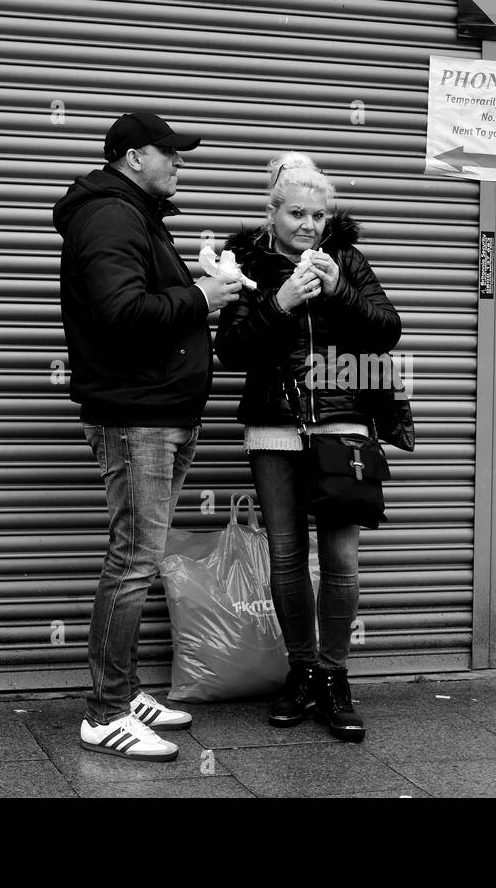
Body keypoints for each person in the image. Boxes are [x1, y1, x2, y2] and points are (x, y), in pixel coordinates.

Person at [53, 111, 242, 760]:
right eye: (171, 153)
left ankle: (125, 690)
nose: (180, 163)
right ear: (134, 156)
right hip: (137, 416)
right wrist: (203, 295)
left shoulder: (133, 215)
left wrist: (194, 280)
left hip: (160, 411)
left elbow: (140, 298)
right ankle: (105, 713)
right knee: (132, 560)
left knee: (140, 555)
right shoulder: (109, 215)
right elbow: (123, 314)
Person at [215, 152, 401, 742]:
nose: (309, 225)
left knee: (341, 560)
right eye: (297, 212)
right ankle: (302, 670)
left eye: (319, 214)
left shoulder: (346, 260)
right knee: (289, 556)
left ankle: (335, 675)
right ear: (271, 212)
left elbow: (386, 327)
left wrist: (338, 289)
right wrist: (282, 301)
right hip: (274, 425)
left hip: (343, 427)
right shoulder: (246, 264)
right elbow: (234, 350)